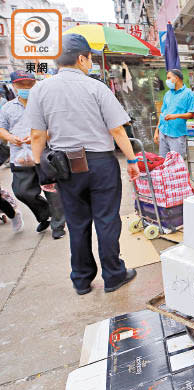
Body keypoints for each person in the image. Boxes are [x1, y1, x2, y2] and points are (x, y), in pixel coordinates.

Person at [25, 33, 141, 295]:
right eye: (89, 58)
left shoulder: (40, 90)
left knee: (77, 223)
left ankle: (81, 280)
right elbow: (118, 130)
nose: (90, 63)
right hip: (100, 164)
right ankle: (113, 276)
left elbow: (36, 135)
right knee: (107, 220)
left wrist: (41, 167)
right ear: (81, 58)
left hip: (65, 166)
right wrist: (132, 160)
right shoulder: (96, 87)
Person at [0, 71, 66, 239]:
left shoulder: (45, 104)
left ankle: (58, 226)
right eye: (21, 85)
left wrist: (38, 137)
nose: (26, 88)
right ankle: (45, 215)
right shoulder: (7, 108)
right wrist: (10, 138)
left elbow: (57, 127)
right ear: (13, 86)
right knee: (22, 192)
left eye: (29, 84)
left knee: (53, 192)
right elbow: (2, 128)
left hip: (45, 156)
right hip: (20, 157)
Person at [153, 69, 194, 158]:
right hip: (163, 131)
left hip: (177, 134)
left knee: (176, 163)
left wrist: (175, 116)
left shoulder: (189, 94)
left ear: (176, 78)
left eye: (169, 78)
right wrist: (156, 131)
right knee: (163, 162)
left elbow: (191, 114)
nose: (167, 81)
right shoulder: (167, 94)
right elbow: (162, 113)